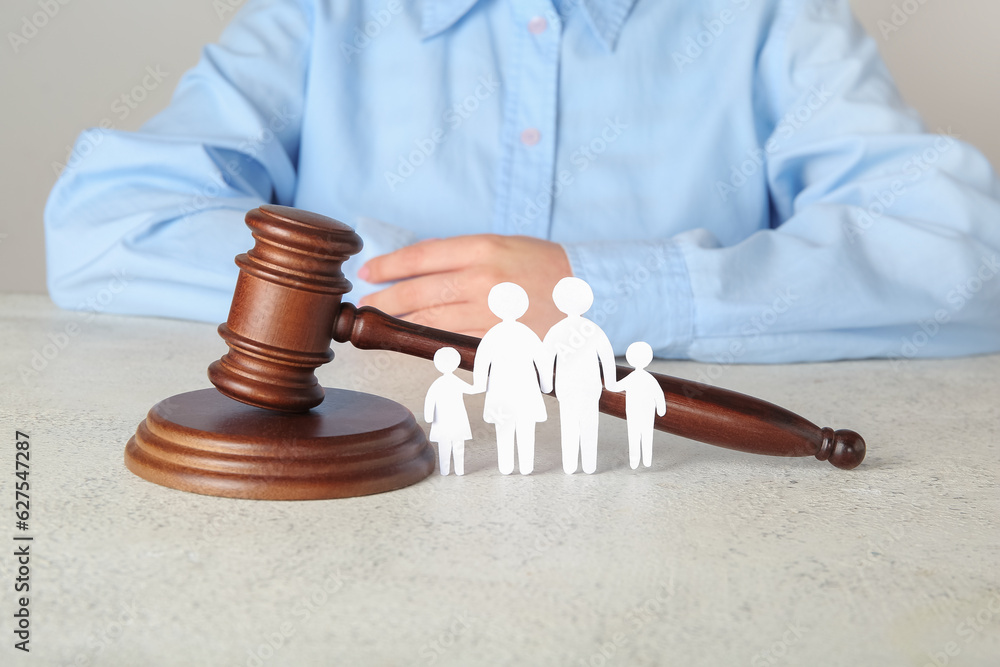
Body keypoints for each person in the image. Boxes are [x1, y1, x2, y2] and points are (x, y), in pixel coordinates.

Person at [44, 0, 1000, 363]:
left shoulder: (772, 21)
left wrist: (611, 291)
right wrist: (413, 289)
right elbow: (102, 227)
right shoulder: (317, 17)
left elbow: (966, 262)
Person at [540, 277, 618, 474]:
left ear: (559, 302)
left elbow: (546, 359)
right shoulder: (593, 329)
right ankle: (590, 465)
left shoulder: (556, 330)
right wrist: (610, 382)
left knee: (569, 424)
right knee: (589, 423)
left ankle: (570, 465)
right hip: (590, 386)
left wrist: (546, 385)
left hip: (566, 387)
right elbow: (607, 358)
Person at [472, 283, 551, 475]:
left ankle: (507, 466)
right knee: (525, 428)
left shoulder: (493, 334)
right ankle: (526, 466)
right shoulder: (527, 333)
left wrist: (480, 384)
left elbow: (481, 362)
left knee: (504, 429)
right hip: (526, 389)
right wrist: (546, 385)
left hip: (501, 390)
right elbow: (543, 361)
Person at [614, 341, 668, 470]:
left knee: (634, 436)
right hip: (644, 412)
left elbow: (616, 387)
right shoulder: (648, 378)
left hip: (635, 412)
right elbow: (658, 394)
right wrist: (661, 408)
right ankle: (645, 461)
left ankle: (636, 461)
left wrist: (609, 381)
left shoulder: (632, 377)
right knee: (646, 435)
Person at [423, 346, 477, 476]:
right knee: (453, 445)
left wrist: (429, 416)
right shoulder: (452, 382)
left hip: (450, 420)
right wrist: (429, 416)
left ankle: (449, 470)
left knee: (447, 446)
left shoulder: (439, 383)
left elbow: (430, 400)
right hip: (452, 419)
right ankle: (455, 470)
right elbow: (472, 389)